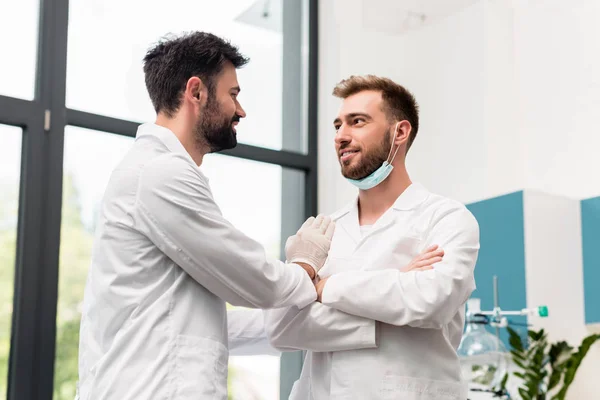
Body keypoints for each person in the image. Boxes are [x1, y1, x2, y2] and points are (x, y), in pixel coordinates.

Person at [76, 31, 335, 400]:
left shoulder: (155, 172)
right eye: (234, 94)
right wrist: (305, 267)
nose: (241, 111)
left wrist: (308, 313)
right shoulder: (160, 173)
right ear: (196, 92)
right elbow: (252, 279)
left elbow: (202, 321)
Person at [262, 75, 480, 400]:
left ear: (399, 132)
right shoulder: (320, 232)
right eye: (337, 126)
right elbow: (280, 328)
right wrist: (396, 289)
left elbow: (430, 301)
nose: (340, 136)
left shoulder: (447, 218)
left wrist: (324, 288)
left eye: (357, 122)